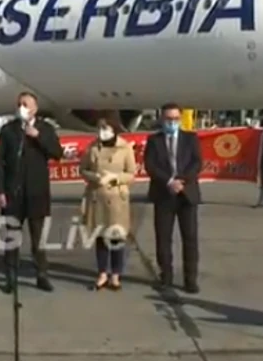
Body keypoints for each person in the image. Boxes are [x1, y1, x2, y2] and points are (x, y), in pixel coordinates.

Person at [0, 92, 63, 293]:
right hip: (13, 194)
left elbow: (56, 153)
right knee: (11, 239)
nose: (21, 107)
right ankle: (11, 277)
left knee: (38, 239)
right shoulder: (8, 130)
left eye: (25, 104)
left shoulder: (45, 128)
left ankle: (42, 275)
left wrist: (38, 137)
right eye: (19, 103)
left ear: (35, 108)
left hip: (36, 193)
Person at [144, 102, 203, 293]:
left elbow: (197, 163)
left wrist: (181, 181)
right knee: (163, 238)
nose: (172, 122)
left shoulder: (191, 138)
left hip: (187, 195)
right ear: (162, 119)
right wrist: (169, 181)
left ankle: (190, 280)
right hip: (164, 194)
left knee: (190, 239)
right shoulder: (154, 141)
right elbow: (150, 166)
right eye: (169, 119)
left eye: (176, 119)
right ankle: (166, 277)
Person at [79, 117, 137, 291]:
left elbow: (131, 173)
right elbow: (83, 169)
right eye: (100, 128)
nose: (102, 132)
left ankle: (116, 275)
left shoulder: (125, 148)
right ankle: (102, 273)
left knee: (117, 237)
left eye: (106, 129)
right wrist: (94, 177)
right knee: (101, 236)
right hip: (97, 196)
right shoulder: (92, 147)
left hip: (117, 197)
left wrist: (116, 178)